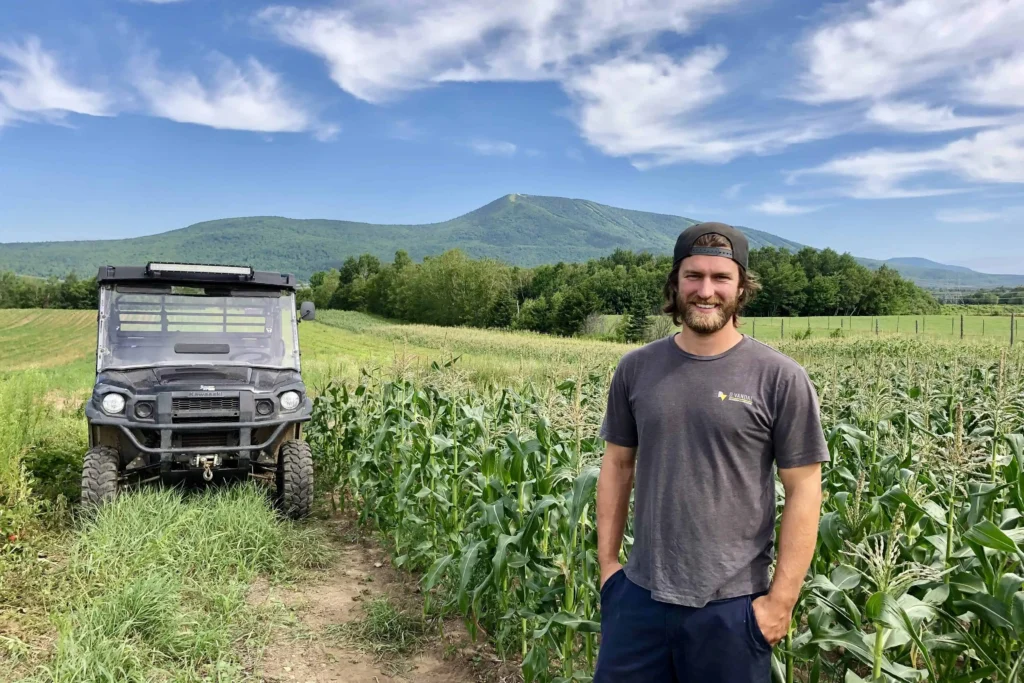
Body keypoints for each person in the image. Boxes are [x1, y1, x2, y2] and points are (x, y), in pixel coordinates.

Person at [594, 222, 829, 682]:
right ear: (675, 284)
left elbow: (805, 489)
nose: (706, 291)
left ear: (741, 287)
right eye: (693, 276)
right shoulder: (635, 368)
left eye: (721, 277)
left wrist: (780, 602)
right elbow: (617, 466)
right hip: (639, 598)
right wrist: (609, 569)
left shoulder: (780, 377)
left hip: (733, 609)